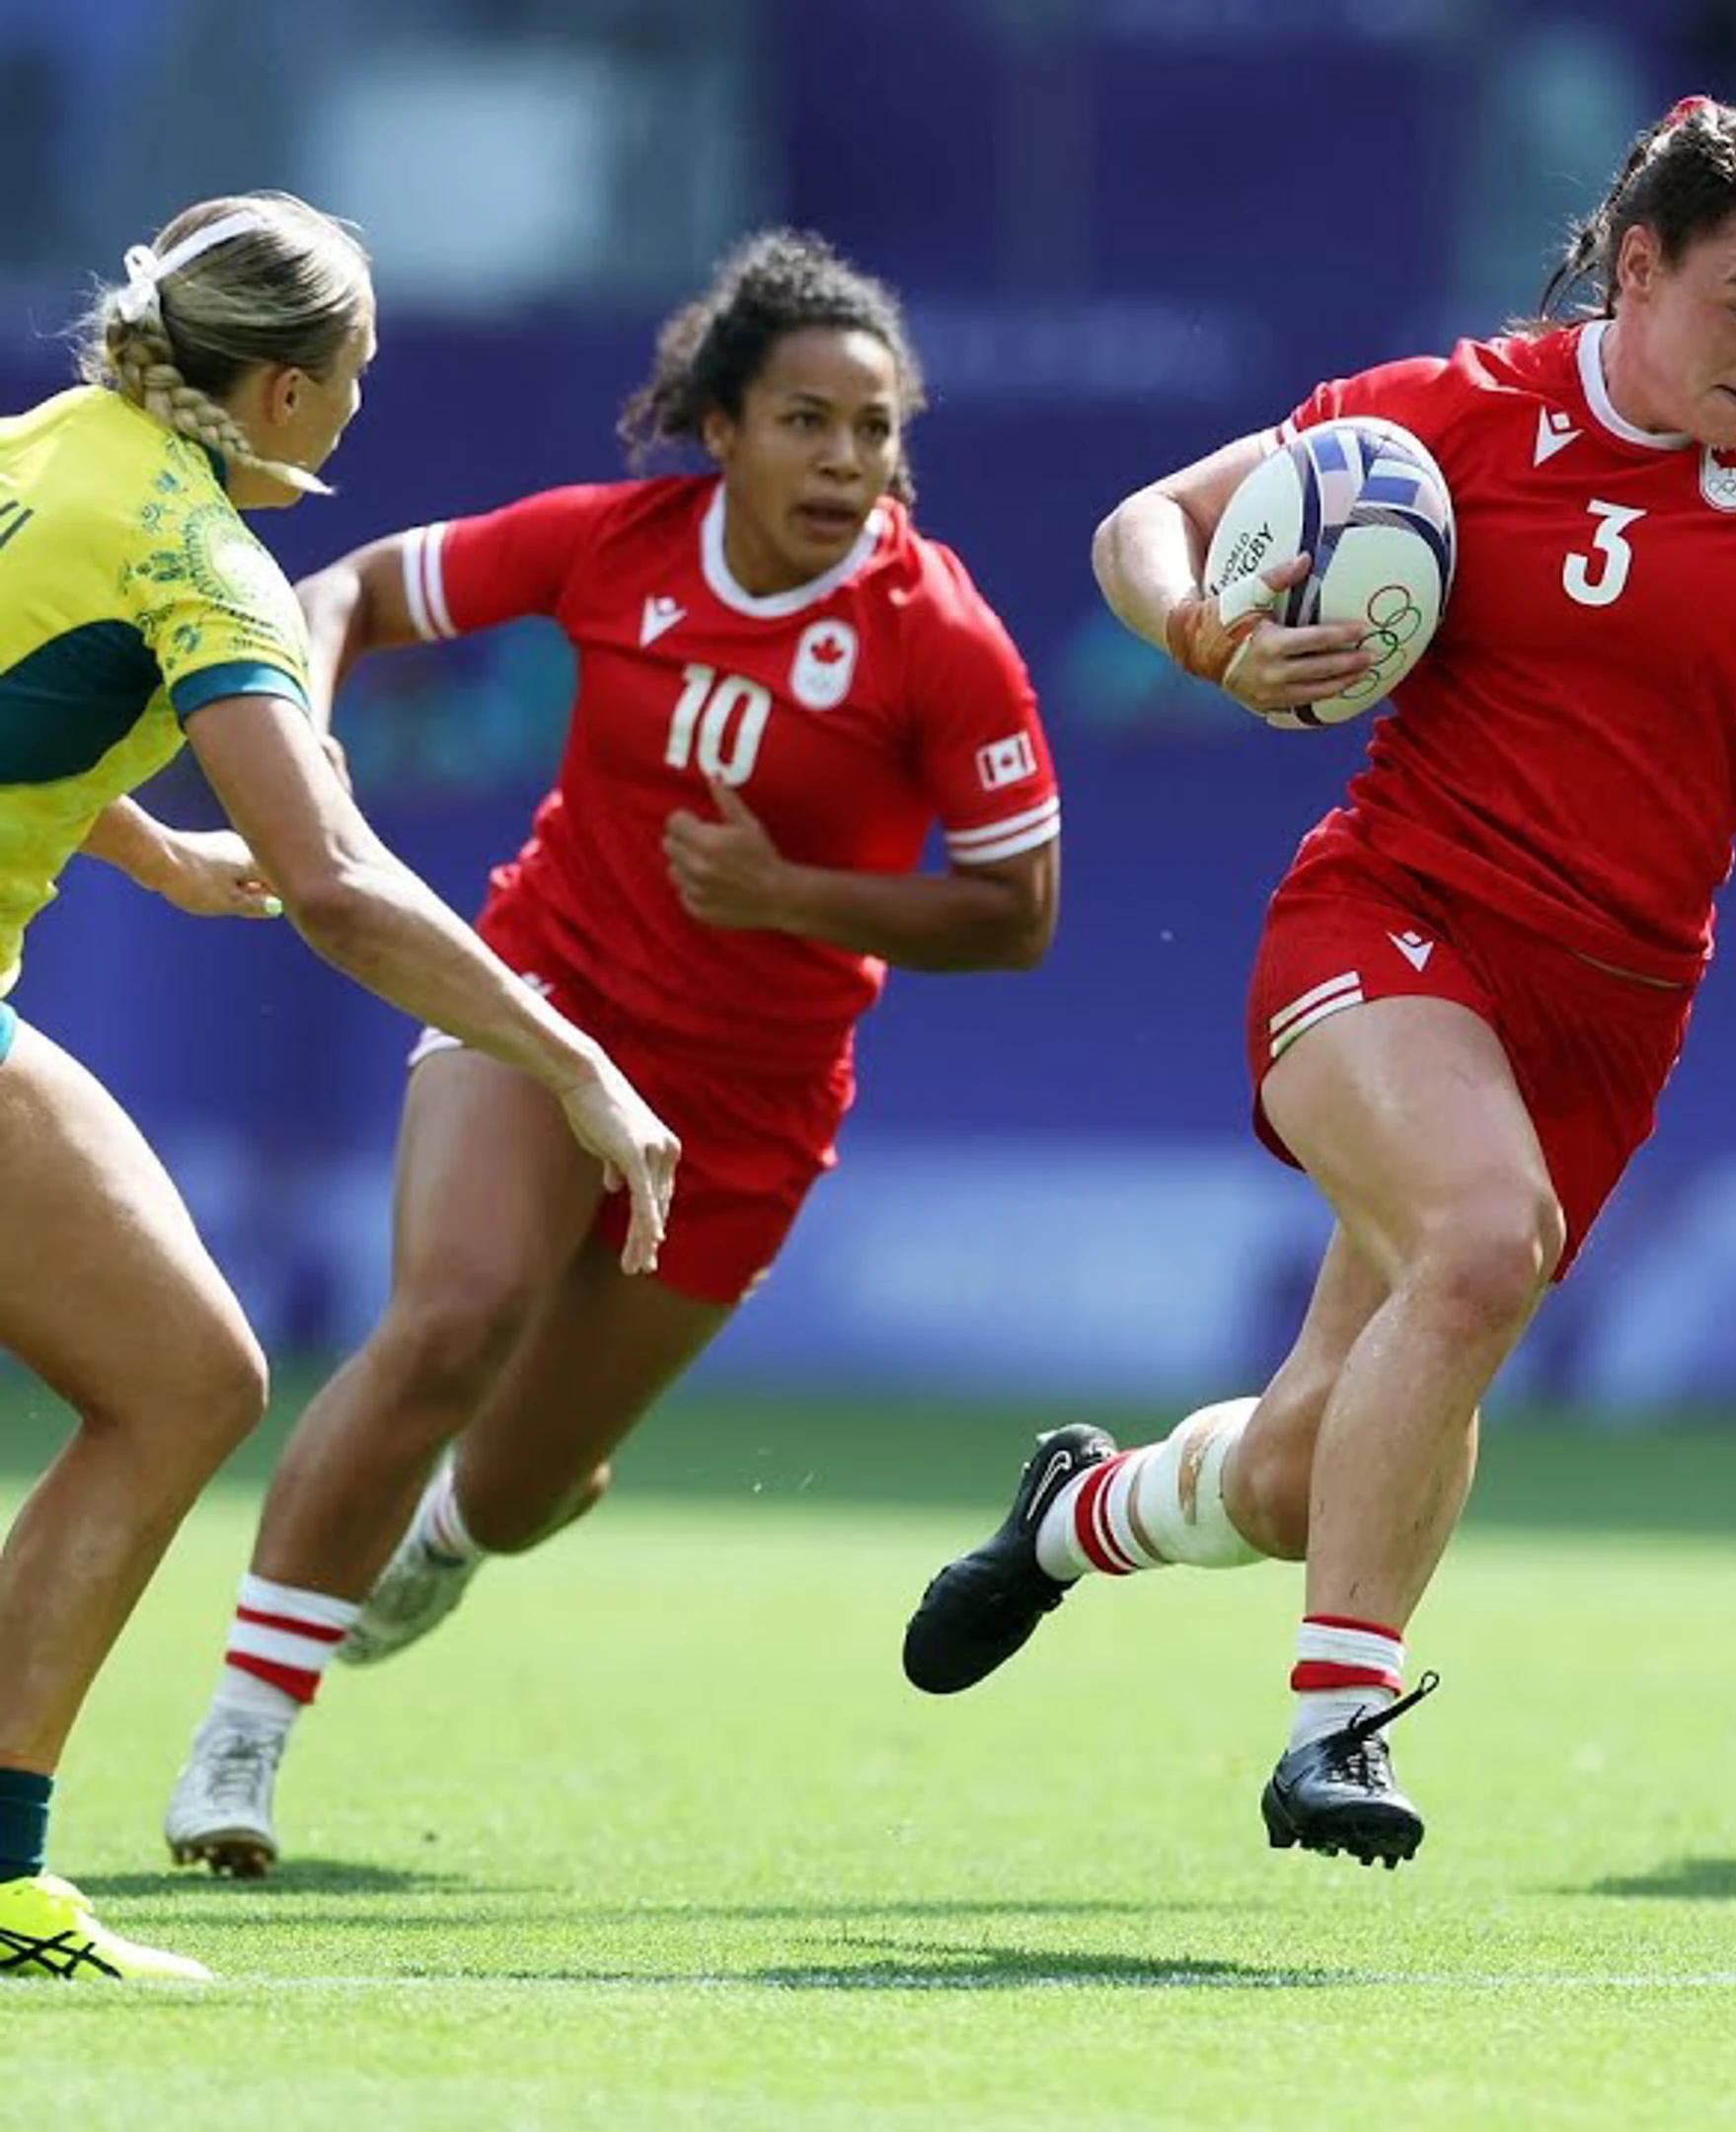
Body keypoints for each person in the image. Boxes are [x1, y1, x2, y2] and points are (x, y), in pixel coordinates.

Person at [899, 96, 1736, 1870]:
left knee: (1290, 1474)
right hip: (1391, 921)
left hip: (1617, 1005)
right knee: (1489, 1244)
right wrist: (1207, 633)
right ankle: (1335, 1728)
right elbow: (1143, 525)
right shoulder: (1452, 413)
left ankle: (1078, 1516)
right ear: (1637, 269)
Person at [160, 229, 1061, 1881]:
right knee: (451, 1322)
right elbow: (349, 587)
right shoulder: (614, 546)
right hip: (542, 1001)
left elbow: (1018, 914)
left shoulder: (940, 636)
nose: (847, 460)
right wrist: (306, 721)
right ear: (720, 427)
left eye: (875, 430)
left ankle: (447, 1533)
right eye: (808, 420)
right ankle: (242, 1731)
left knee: (515, 1490)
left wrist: (791, 895)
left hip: (750, 1104)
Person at [0, 195, 675, 1978]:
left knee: (186, 1375)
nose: (364, 407)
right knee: (178, 1382)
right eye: (358, 375)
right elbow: (340, 884)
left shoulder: (48, 445)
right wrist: (576, 1058)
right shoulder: (196, 556)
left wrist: (137, 851)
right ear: (288, 388)